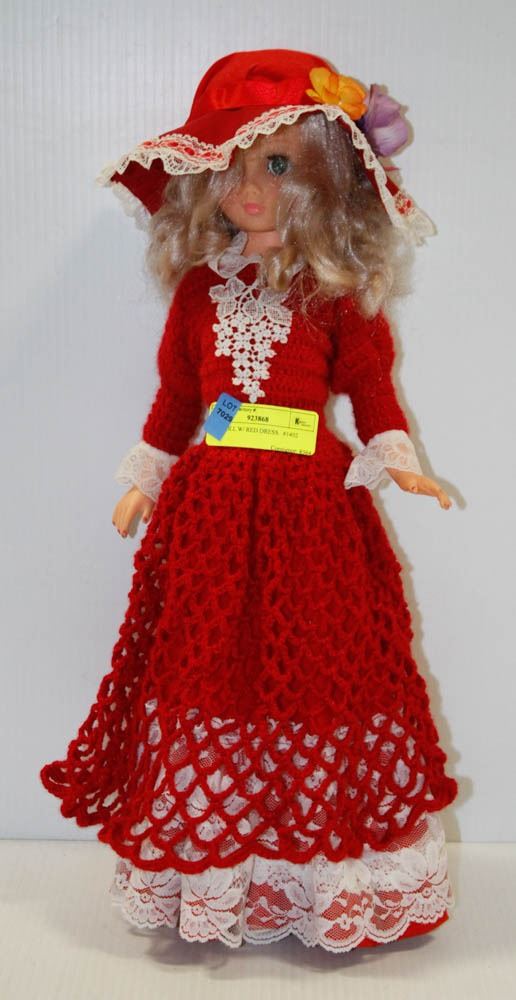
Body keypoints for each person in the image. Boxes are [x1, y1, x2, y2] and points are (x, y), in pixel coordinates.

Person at [40, 48, 459, 952]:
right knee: (209, 670)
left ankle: (316, 865)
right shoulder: (200, 291)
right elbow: (176, 399)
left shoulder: (333, 292)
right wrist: (142, 479)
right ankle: (224, 859)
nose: (250, 190)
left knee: (314, 667)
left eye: (275, 166)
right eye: (228, 170)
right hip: (214, 510)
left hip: (310, 509)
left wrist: (398, 460)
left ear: (326, 182)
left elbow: (371, 388)